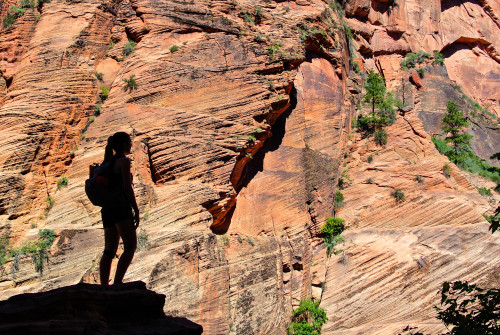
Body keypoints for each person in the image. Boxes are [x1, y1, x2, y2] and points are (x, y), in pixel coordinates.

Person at [99, 131, 140, 285]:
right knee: (130, 247)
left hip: (107, 209)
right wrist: (135, 208)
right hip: (120, 208)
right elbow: (127, 187)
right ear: (123, 144)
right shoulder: (123, 161)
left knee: (109, 250)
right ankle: (117, 284)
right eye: (129, 141)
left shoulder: (106, 163)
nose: (131, 144)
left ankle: (104, 287)